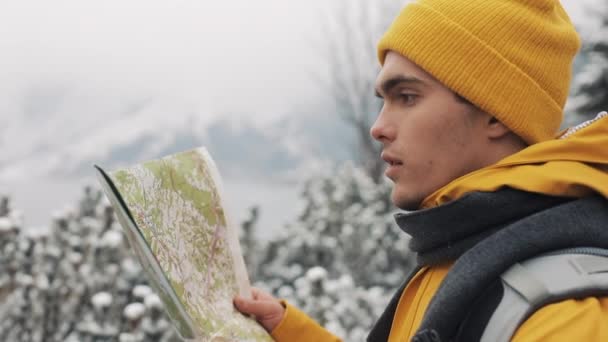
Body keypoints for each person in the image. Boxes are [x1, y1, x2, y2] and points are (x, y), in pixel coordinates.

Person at [234, 0, 608, 341]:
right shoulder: (468, 248)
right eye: (384, 101)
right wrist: (288, 334)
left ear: (496, 113)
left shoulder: (562, 316)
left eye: (407, 97)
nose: (377, 127)